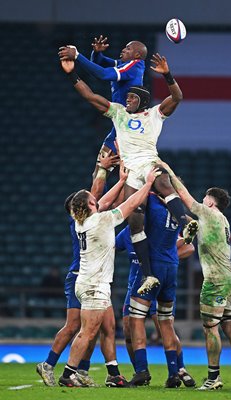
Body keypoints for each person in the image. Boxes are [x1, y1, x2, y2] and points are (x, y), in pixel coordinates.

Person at [59, 53, 198, 295]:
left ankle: (187, 222)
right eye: (128, 96)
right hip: (131, 171)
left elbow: (177, 97)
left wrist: (167, 74)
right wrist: (72, 74)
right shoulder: (119, 113)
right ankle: (149, 275)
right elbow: (91, 97)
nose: (128, 98)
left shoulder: (154, 114)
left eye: (132, 97)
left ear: (142, 101)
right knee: (135, 222)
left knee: (163, 181)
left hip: (148, 161)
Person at [58, 165, 161, 387]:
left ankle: (113, 374)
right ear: (90, 205)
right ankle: (68, 374)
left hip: (88, 282)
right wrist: (149, 183)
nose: (98, 201)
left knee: (108, 328)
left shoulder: (81, 222)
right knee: (87, 332)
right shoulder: (101, 220)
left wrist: (122, 181)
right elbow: (131, 204)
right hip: (95, 285)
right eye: (93, 200)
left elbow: (102, 202)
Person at [161, 162, 231, 391]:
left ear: (211, 201)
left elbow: (185, 197)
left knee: (210, 328)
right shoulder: (223, 220)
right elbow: (194, 235)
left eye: (205, 198)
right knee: (230, 327)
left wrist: (167, 170)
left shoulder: (208, 212)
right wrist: (188, 234)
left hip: (216, 280)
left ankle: (213, 377)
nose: (202, 201)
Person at [37, 154, 125, 388]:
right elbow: (96, 195)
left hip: (92, 277)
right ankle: (49, 365)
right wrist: (103, 170)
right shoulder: (82, 221)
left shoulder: (87, 218)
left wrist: (105, 172)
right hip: (81, 276)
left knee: (104, 326)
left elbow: (98, 198)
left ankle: (91, 371)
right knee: (77, 326)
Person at [58, 36, 147, 190]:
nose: (123, 50)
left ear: (137, 55)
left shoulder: (134, 66)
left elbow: (103, 74)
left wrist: (77, 55)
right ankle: (100, 210)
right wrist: (96, 53)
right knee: (99, 174)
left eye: (128, 48)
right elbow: (99, 63)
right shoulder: (124, 64)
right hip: (118, 124)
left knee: (119, 178)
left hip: (127, 127)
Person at [116, 220, 196, 388]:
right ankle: (139, 370)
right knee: (127, 329)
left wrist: (166, 257)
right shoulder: (127, 232)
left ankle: (180, 369)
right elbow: (112, 249)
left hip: (157, 281)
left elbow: (189, 247)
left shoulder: (158, 230)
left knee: (164, 327)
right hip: (136, 285)